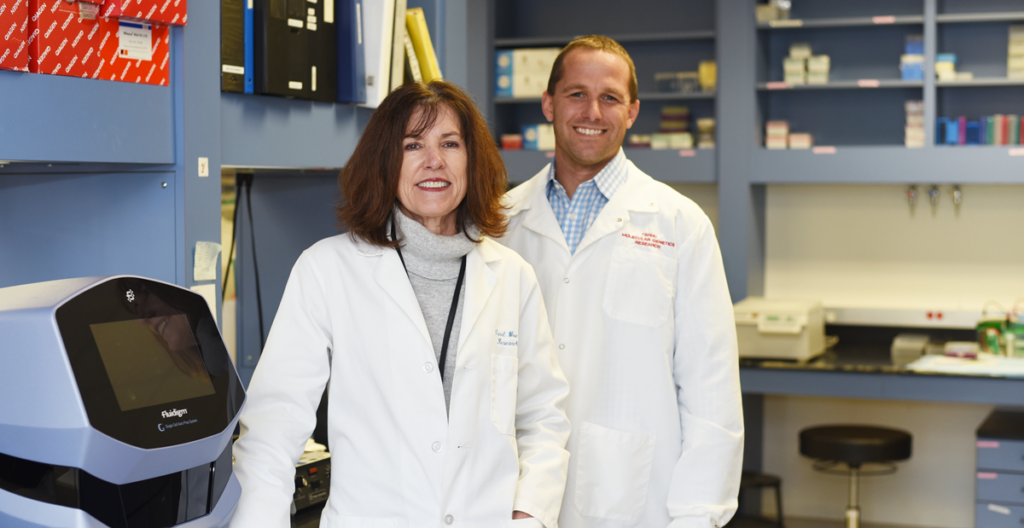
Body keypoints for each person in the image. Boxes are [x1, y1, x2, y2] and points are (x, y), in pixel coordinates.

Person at [230, 81, 571, 528]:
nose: (435, 161)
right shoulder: (328, 269)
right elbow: (274, 427)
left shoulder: (511, 276)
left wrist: (530, 514)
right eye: (413, 145)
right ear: (386, 162)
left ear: (473, 161)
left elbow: (543, 416)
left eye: (450, 143)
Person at [497, 35, 744, 528]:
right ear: (548, 103)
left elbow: (710, 389)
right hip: (517, 495)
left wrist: (699, 516)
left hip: (638, 499)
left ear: (632, 111)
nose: (593, 110)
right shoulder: (501, 222)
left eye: (610, 97)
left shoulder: (679, 223)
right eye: (576, 94)